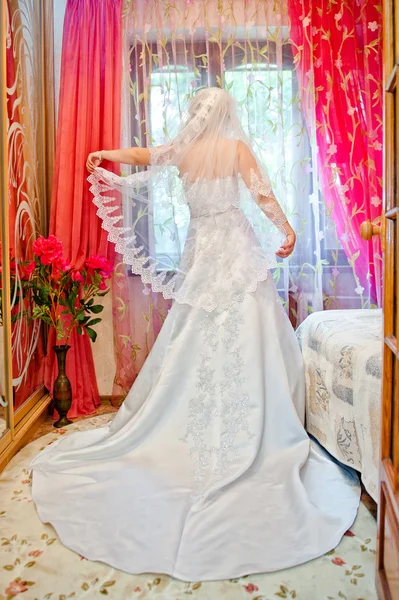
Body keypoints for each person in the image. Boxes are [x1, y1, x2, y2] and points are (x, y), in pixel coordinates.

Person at [29, 88, 360, 582]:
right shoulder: (235, 149)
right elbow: (262, 195)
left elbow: (143, 156)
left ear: (194, 115)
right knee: (252, 333)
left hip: (202, 251)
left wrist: (105, 155)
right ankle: (259, 424)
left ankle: (183, 423)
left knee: (192, 335)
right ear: (225, 114)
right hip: (237, 249)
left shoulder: (183, 151)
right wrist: (287, 231)